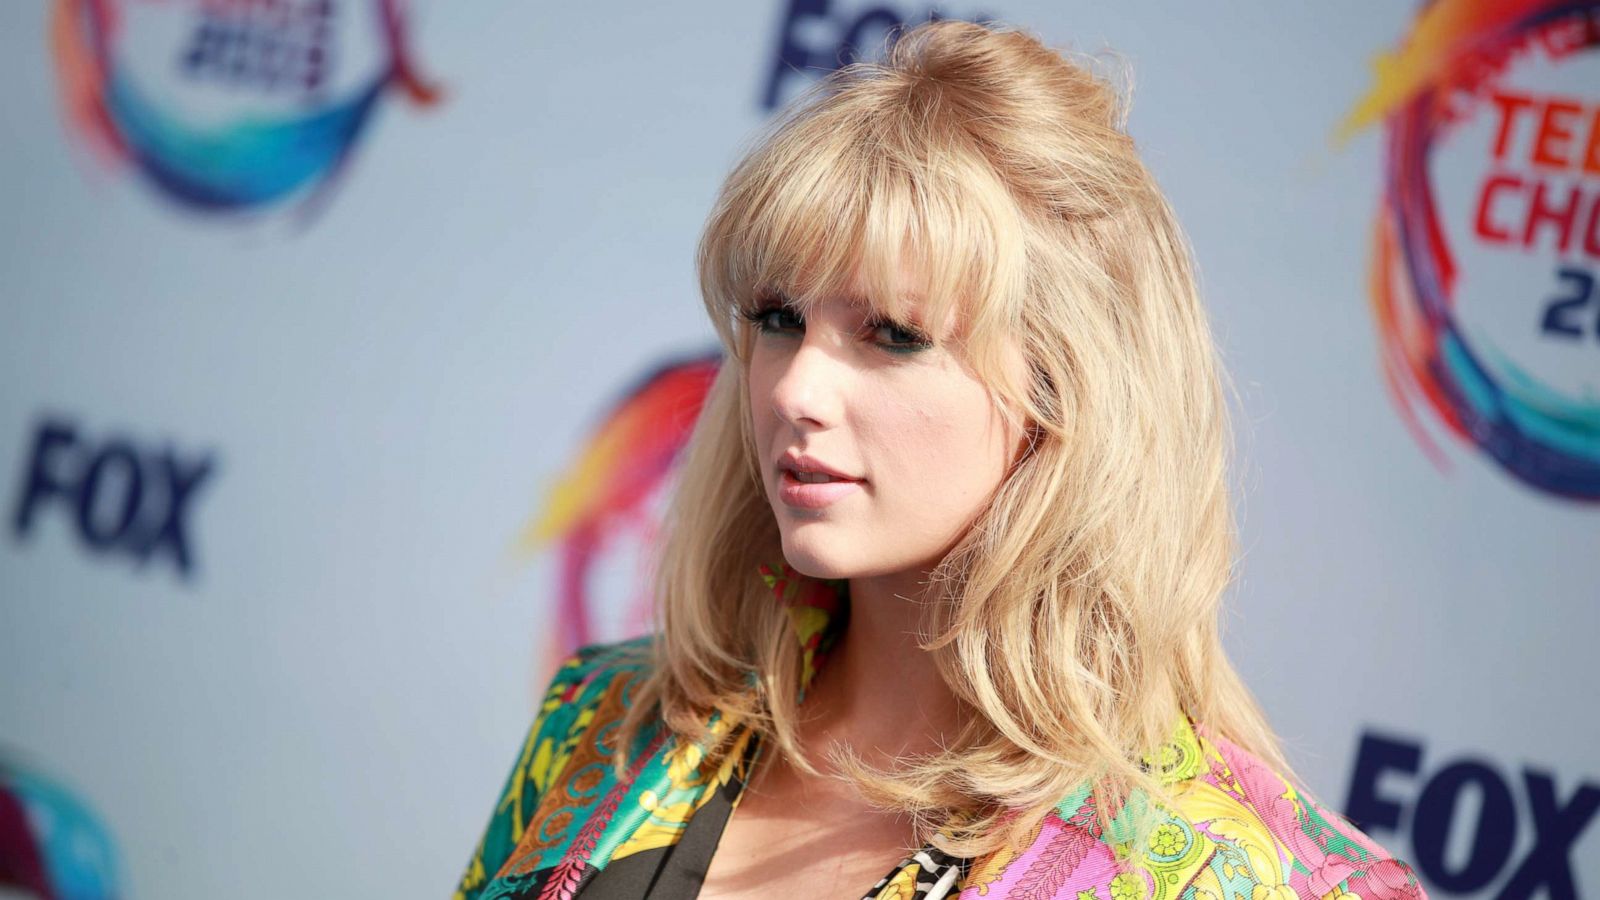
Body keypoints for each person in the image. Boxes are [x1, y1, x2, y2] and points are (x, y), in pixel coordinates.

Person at [452, 19, 1425, 900]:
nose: (794, 390)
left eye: (892, 335)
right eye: (779, 321)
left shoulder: (1238, 880)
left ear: (1065, 390)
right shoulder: (608, 722)